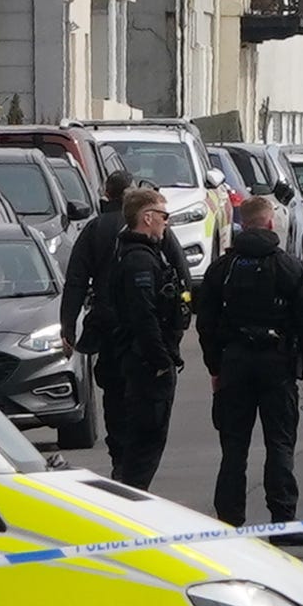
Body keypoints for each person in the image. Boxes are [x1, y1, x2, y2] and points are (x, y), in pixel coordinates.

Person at [195, 193, 303, 542]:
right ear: (271, 223)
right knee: (280, 444)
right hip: (278, 365)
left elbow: (205, 324)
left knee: (233, 448)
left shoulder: (221, 269)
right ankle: (282, 523)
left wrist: (215, 366)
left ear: (242, 224)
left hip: (234, 364)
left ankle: (228, 524)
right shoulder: (289, 267)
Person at [69, 182, 196, 490]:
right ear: (148, 216)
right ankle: (131, 498)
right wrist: (161, 360)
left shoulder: (139, 249)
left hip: (125, 351)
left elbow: (181, 280)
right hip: (141, 358)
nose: (168, 222)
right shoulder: (139, 259)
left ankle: (123, 475)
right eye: (164, 215)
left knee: (127, 426)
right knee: (145, 439)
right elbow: (144, 316)